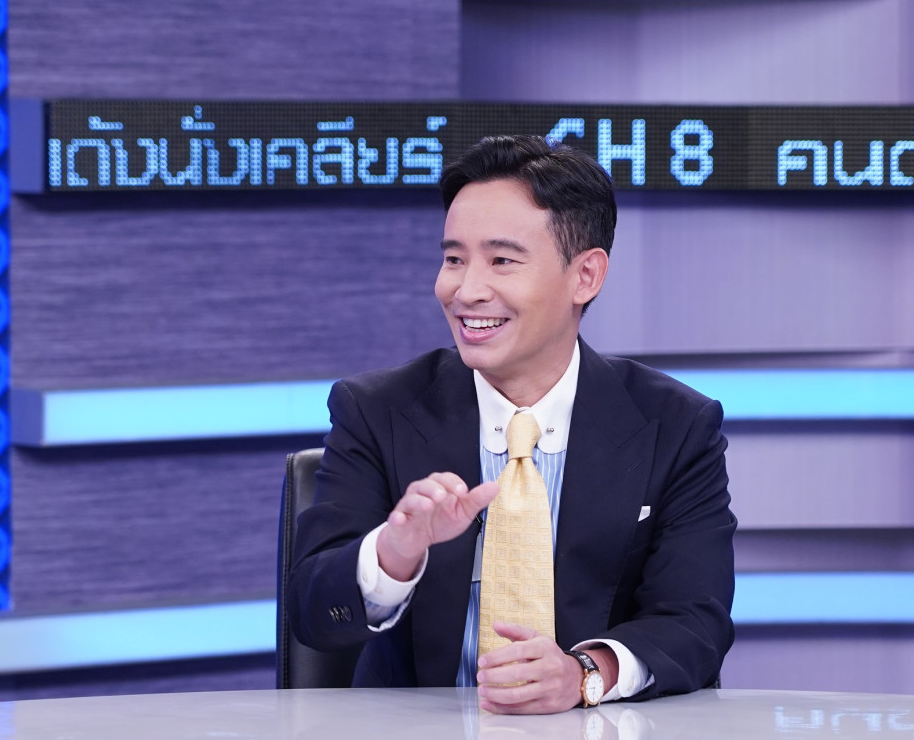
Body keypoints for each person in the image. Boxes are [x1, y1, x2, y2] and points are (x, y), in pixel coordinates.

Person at [287, 135, 735, 714]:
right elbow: (312, 614)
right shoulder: (376, 410)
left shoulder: (675, 424)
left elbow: (695, 619)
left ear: (586, 276)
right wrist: (393, 554)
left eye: (501, 260)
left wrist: (583, 673)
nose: (465, 290)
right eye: (454, 259)